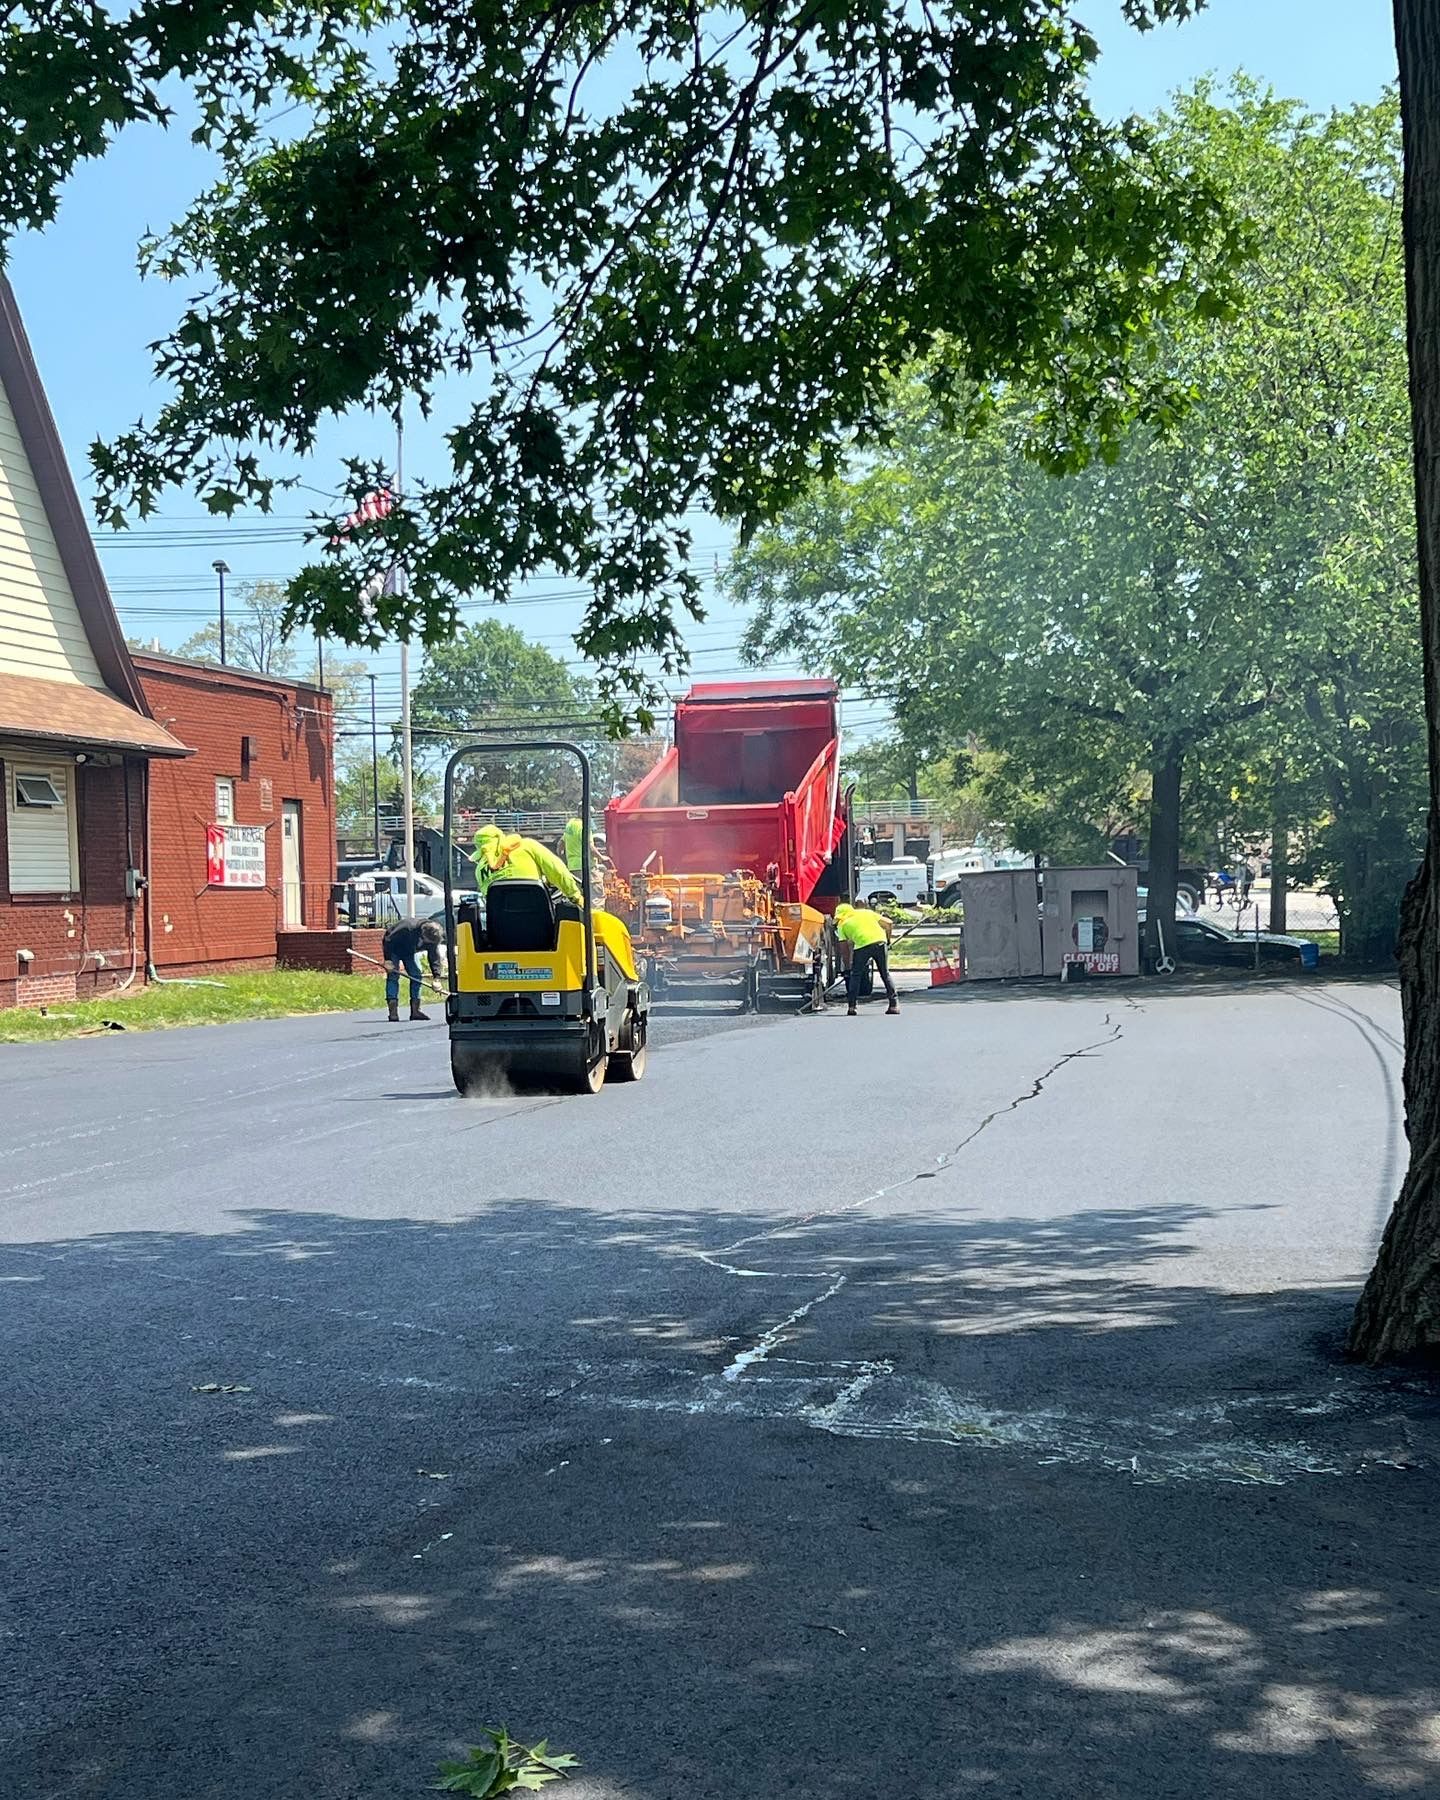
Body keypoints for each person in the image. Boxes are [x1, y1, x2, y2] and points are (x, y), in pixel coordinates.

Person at [472, 823, 582, 903]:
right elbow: (558, 871)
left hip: (502, 933)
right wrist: (575, 897)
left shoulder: (479, 870)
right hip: (542, 927)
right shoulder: (527, 845)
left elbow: (490, 902)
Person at [834, 901, 899, 1017]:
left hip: (862, 947)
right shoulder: (867, 913)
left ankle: (852, 1007)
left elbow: (844, 950)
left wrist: (848, 968)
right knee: (885, 974)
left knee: (856, 975)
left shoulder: (842, 925)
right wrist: (888, 941)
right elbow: (889, 923)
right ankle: (894, 1005)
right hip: (880, 942)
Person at [382, 917, 442, 1023]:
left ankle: (415, 1011)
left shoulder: (433, 937)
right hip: (394, 948)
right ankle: (393, 1012)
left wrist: (436, 977)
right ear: (422, 934)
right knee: (393, 976)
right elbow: (388, 939)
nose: (427, 944)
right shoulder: (407, 927)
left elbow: (434, 957)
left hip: (409, 951)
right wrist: (388, 960)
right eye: (426, 941)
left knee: (416, 975)